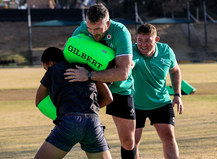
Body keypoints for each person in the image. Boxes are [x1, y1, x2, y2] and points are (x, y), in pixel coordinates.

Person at [64, 3, 136, 159]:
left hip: (120, 88)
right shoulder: (82, 28)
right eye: (90, 28)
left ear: (108, 23)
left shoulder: (120, 32)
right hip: (90, 87)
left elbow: (123, 73)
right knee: (81, 130)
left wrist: (89, 75)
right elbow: (70, 58)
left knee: (128, 142)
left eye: (97, 29)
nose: (93, 33)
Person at [34, 47, 113, 159]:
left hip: (70, 122)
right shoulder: (86, 69)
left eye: (46, 68)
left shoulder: (52, 70)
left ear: (51, 63)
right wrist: (90, 108)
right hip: (93, 123)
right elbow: (108, 98)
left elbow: (39, 100)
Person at [132, 24, 184, 159]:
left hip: (161, 102)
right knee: (132, 142)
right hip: (135, 104)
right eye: (140, 40)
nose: (143, 44)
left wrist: (177, 94)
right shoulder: (130, 52)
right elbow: (128, 64)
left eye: (148, 40)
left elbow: (175, 70)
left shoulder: (166, 51)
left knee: (169, 137)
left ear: (156, 40)